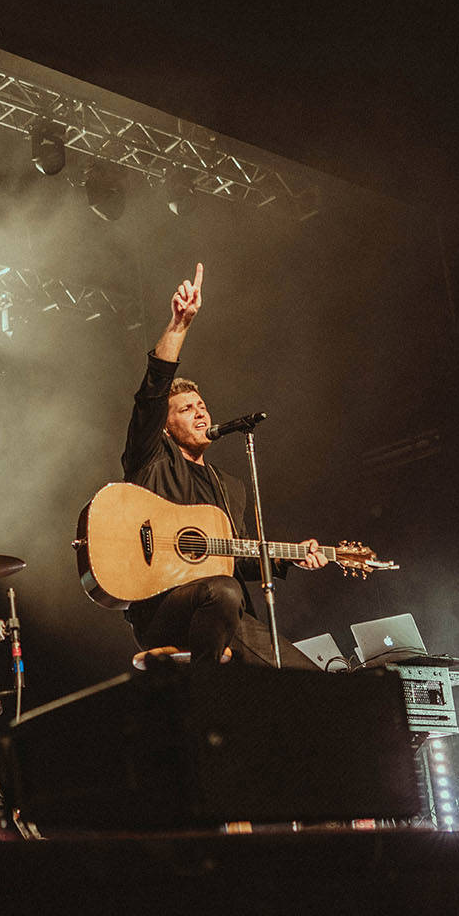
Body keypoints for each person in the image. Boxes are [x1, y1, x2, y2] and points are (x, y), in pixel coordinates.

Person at [121, 263, 331, 668]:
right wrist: (179, 325)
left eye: (202, 406)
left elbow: (240, 556)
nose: (200, 414)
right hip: (163, 607)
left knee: (305, 674)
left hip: (223, 612)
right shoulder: (149, 461)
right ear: (164, 428)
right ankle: (206, 698)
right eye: (186, 409)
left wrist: (293, 555)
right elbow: (150, 394)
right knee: (223, 590)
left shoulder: (230, 486)